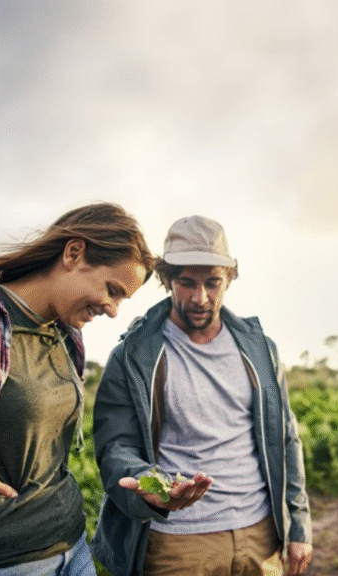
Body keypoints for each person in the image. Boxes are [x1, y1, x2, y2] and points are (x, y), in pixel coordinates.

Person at [0, 202, 156, 576]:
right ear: (73, 253)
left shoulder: (69, 338)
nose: (112, 309)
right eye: (112, 290)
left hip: (71, 549)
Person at [91, 215, 313, 576]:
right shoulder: (133, 355)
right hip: (176, 543)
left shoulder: (261, 350)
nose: (200, 298)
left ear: (230, 279)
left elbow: (285, 438)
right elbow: (115, 446)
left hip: (260, 534)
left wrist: (298, 526)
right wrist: (148, 485)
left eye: (213, 283)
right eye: (186, 283)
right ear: (165, 280)